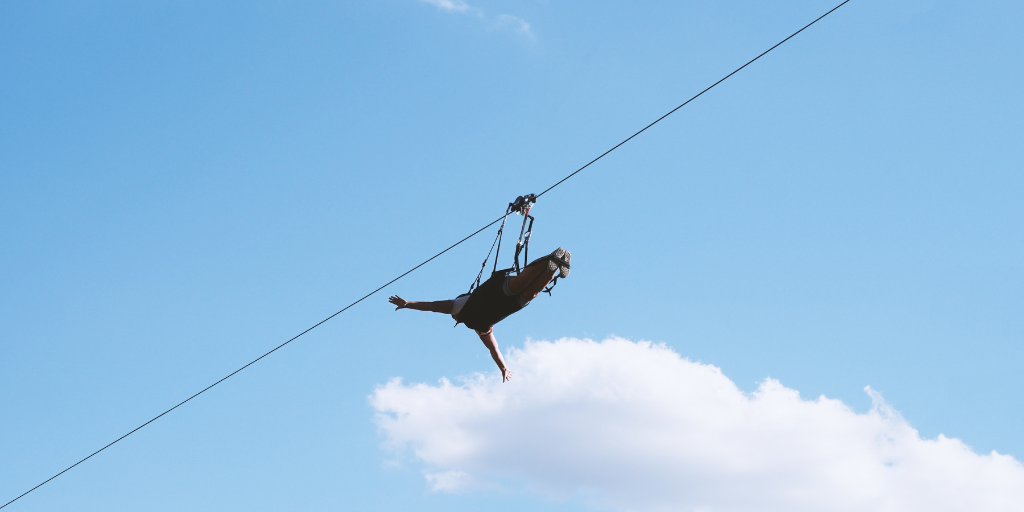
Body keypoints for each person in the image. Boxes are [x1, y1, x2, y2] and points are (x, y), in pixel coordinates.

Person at [389, 247, 571, 382]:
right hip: (510, 304)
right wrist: (504, 368)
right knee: (531, 292)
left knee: (522, 284)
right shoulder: (481, 328)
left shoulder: (457, 306)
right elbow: (494, 350)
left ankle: (552, 257)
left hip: (497, 292)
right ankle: (553, 266)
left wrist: (408, 304)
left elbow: (432, 306)